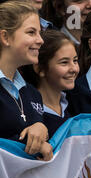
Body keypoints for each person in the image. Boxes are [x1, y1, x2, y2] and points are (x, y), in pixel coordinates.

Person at [0, 1, 52, 161]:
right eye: (31, 32)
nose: (41, 40)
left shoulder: (33, 93)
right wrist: (36, 148)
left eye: (40, 32)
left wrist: (41, 127)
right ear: (5, 37)